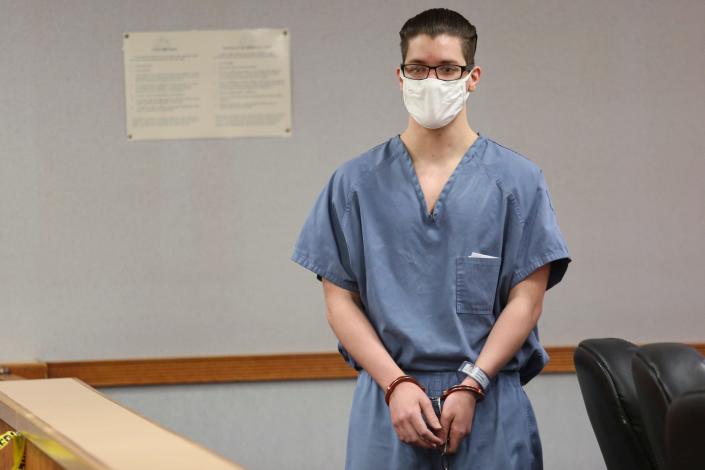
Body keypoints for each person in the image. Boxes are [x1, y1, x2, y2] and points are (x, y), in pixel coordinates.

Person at [290, 7, 571, 470]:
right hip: (391, 399)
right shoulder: (356, 183)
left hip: (488, 400)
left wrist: (473, 383)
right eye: (418, 69)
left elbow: (527, 299)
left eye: (447, 69)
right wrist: (395, 385)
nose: (432, 81)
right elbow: (339, 301)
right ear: (400, 77)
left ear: (473, 76)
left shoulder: (517, 181)